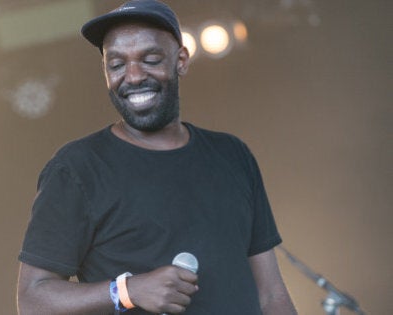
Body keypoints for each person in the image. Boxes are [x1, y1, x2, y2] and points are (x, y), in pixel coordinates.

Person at [16, 1, 297, 314]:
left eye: (150, 59)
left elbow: (271, 295)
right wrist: (127, 290)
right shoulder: (77, 168)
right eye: (117, 65)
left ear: (181, 61)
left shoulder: (232, 155)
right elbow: (32, 300)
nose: (133, 76)